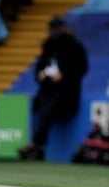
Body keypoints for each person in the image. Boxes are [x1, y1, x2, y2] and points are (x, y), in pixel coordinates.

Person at [18, 15, 89, 161]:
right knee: (40, 109)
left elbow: (81, 68)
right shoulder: (48, 46)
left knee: (49, 110)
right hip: (48, 88)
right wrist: (40, 74)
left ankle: (37, 145)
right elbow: (40, 66)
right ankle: (37, 145)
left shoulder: (74, 46)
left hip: (66, 91)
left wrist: (64, 75)